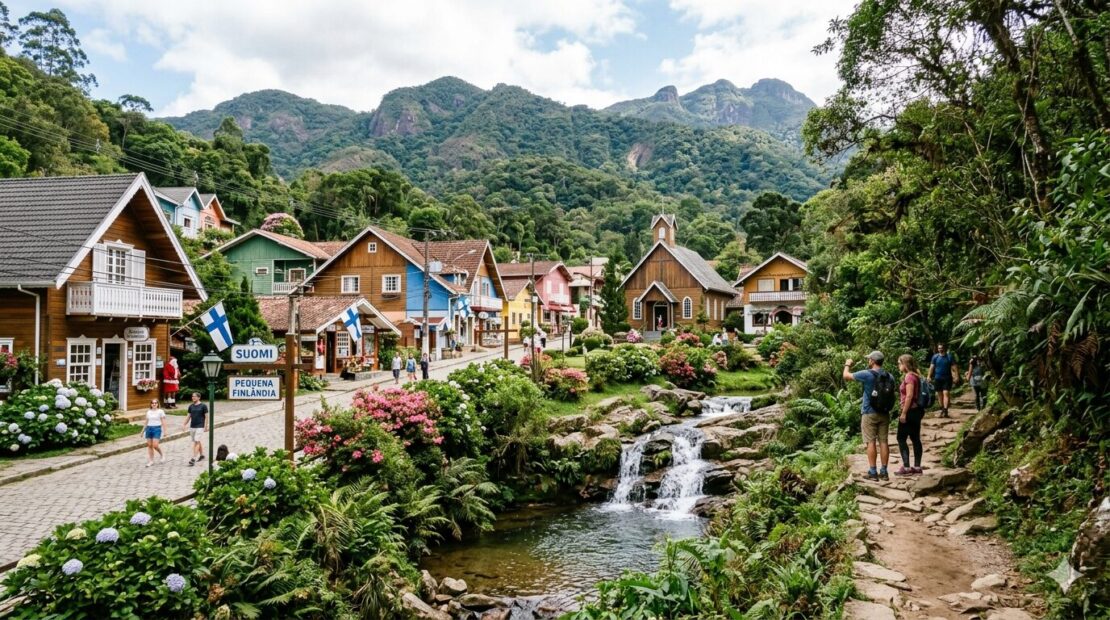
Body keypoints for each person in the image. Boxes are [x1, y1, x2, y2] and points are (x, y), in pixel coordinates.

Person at [843, 351, 896, 481]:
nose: (868, 361)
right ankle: (884, 471)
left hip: (869, 412)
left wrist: (847, 364)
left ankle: (873, 472)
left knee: (870, 442)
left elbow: (846, 376)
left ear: (872, 361)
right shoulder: (890, 376)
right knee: (884, 442)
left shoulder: (867, 374)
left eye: (869, 359)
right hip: (884, 413)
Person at [895, 354, 925, 476]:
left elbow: (909, 396)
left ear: (905, 364)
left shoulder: (909, 377)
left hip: (910, 411)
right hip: (916, 411)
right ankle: (917, 467)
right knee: (915, 438)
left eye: (899, 363)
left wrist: (904, 413)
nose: (898, 365)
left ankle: (906, 467)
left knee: (901, 438)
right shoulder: (916, 376)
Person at [927, 343, 960, 417]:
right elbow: (931, 367)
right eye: (939, 348)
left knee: (946, 393)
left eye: (941, 348)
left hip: (947, 378)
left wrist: (957, 376)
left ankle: (945, 410)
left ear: (944, 348)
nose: (940, 349)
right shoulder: (935, 357)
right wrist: (929, 376)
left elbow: (954, 367)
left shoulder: (949, 357)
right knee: (939, 395)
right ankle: (942, 409)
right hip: (938, 378)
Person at [182, 392, 208, 467]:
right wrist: (184, 424)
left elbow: (206, 417)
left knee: (196, 441)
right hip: (192, 426)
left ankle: (193, 458)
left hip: (200, 426)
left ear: (199, 397)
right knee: (197, 441)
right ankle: (202, 455)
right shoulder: (191, 406)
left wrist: (206, 426)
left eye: (194, 396)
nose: (193, 397)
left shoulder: (203, 406)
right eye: (192, 396)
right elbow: (188, 416)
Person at [141, 399, 167, 467]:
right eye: (152, 403)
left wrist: (165, 431)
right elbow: (146, 422)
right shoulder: (148, 412)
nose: (154, 404)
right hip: (149, 429)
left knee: (155, 445)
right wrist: (142, 431)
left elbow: (163, 422)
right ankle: (151, 461)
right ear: (151, 404)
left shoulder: (160, 411)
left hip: (157, 429)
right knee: (149, 445)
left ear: (158, 404)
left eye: (155, 403)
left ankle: (162, 455)